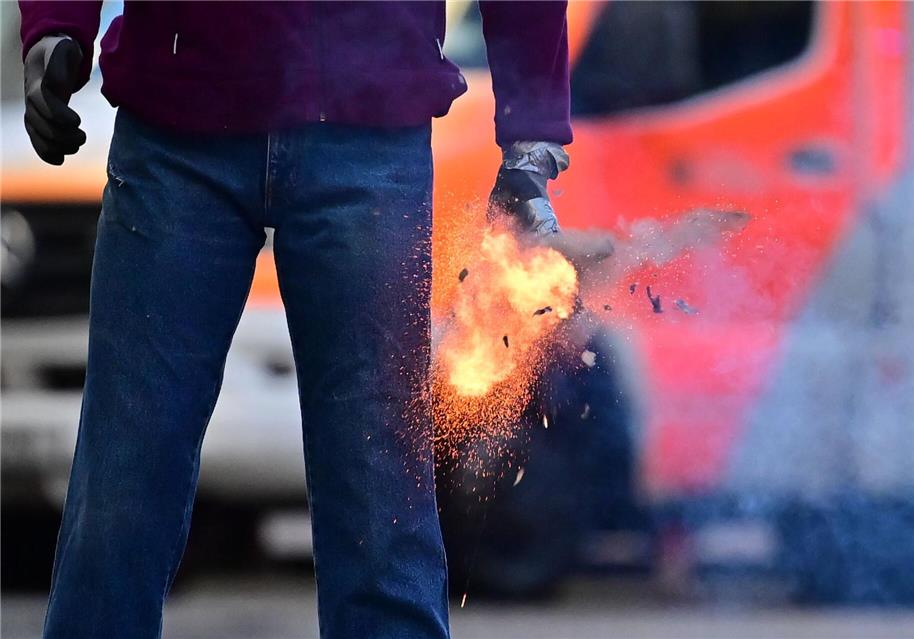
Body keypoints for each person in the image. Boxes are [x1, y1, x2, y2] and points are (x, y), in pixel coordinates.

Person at [18, 1, 571, 638]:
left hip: (360, 126)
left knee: (377, 484)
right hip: (183, 124)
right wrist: (55, 25)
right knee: (126, 470)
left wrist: (532, 141)